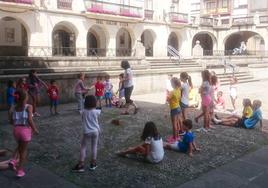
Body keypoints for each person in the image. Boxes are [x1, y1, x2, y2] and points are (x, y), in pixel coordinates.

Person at [9, 89, 39, 177]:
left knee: (19, 146)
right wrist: (35, 129)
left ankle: (13, 160)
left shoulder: (14, 107)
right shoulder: (29, 106)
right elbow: (30, 120)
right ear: (25, 98)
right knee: (23, 151)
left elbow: (11, 121)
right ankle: (20, 170)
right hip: (25, 130)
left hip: (16, 130)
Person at [72, 95, 101, 172]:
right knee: (94, 146)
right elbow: (97, 118)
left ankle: (81, 165)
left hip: (87, 132)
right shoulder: (97, 112)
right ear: (95, 103)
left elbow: (82, 118)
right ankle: (93, 164)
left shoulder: (83, 112)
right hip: (95, 131)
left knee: (83, 147)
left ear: (85, 103)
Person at [167, 77, 182, 141]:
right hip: (178, 107)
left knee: (174, 124)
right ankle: (178, 136)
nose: (171, 84)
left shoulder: (172, 92)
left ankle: (174, 137)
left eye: (171, 83)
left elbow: (168, 99)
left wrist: (168, 95)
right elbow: (179, 98)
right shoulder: (179, 90)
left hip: (174, 108)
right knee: (177, 123)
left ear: (173, 84)